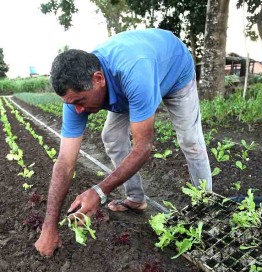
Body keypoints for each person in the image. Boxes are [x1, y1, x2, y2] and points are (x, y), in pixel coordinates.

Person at [35, 28, 212, 256]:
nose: (77, 110)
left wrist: (99, 192)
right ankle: (136, 199)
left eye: (80, 101)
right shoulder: (74, 98)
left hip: (174, 72)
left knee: (190, 141)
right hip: (132, 84)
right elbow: (64, 162)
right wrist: (49, 227)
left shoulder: (133, 71)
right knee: (111, 136)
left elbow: (144, 147)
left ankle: (206, 209)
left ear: (98, 79)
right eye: (72, 104)